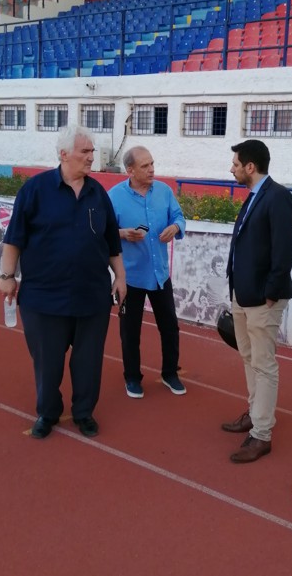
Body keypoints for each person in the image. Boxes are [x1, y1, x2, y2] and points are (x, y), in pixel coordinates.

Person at [0, 125, 126, 439]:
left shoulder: (99, 194)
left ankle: (84, 413)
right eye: (85, 151)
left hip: (92, 296)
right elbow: (14, 239)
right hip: (44, 298)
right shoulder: (35, 190)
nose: (91, 157)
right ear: (64, 154)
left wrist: (121, 277)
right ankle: (48, 412)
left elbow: (112, 242)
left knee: (88, 362)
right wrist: (7, 276)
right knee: (47, 363)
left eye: (92, 151)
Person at [222, 139, 292, 463]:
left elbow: (285, 250)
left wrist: (270, 293)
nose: (232, 169)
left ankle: (262, 434)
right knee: (249, 357)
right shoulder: (254, 196)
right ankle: (255, 414)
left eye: (236, 164)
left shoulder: (278, 197)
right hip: (242, 294)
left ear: (250, 167)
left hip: (263, 299)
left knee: (263, 364)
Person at [108, 146, 186, 398]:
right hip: (129, 278)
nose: (152, 169)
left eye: (152, 163)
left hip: (160, 274)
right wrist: (121, 233)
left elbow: (179, 217)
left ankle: (170, 373)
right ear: (130, 170)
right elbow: (102, 231)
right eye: (145, 166)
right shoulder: (113, 197)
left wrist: (176, 227)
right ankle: (132, 377)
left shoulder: (164, 191)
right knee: (129, 331)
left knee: (170, 327)